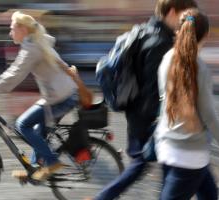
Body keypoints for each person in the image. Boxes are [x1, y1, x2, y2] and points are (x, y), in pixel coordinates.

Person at [86, 1, 199, 200]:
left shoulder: (141, 32)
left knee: (147, 165)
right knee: (151, 165)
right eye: (186, 16)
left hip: (136, 112)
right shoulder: (161, 42)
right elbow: (154, 89)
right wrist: (162, 122)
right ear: (172, 12)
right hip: (151, 118)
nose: (185, 23)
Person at [0, 11, 80, 181]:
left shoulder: (31, 48)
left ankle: (52, 162)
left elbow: (14, 74)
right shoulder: (38, 41)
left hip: (60, 97)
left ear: (22, 29)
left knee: (22, 125)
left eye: (12, 28)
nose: (10, 33)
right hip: (64, 94)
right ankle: (34, 169)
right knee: (38, 130)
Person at [155, 9, 219, 200]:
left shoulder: (166, 59)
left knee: (210, 194)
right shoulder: (200, 69)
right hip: (189, 156)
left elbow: (164, 102)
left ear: (178, 30)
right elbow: (209, 116)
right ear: (206, 35)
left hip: (167, 146)